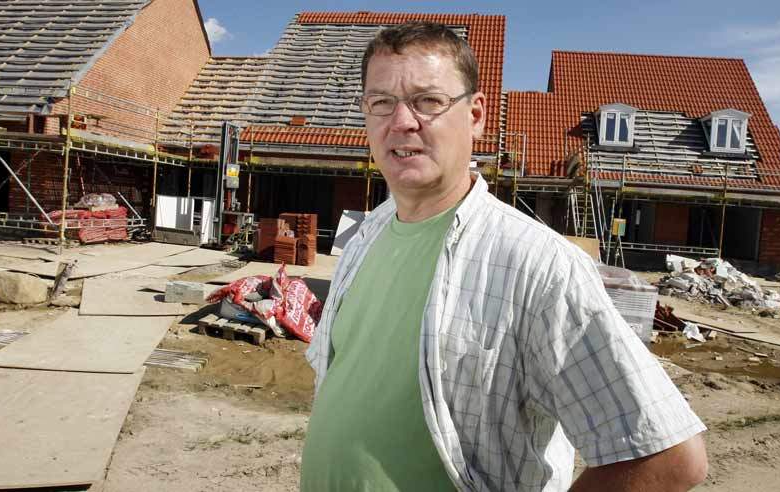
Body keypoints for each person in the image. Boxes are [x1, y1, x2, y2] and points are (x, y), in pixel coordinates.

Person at [301, 21, 708, 491]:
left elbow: (669, 457)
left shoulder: (538, 265)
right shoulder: (367, 234)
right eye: (381, 102)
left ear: (475, 115)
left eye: (428, 101)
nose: (401, 121)